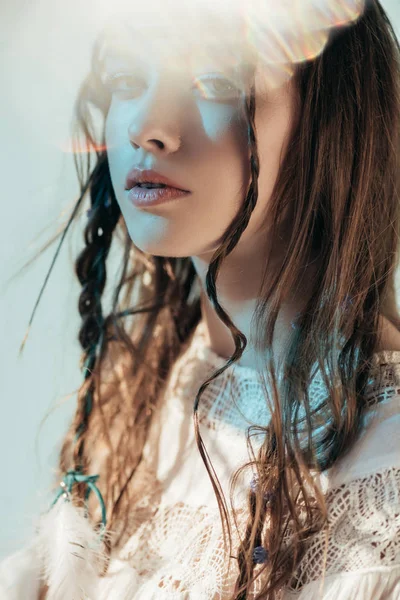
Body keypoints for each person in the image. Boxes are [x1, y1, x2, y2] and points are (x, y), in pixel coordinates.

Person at [1, 0, 400, 598]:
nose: (146, 127)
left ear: (330, 123)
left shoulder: (384, 465)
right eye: (128, 80)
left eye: (215, 80)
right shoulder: (133, 402)